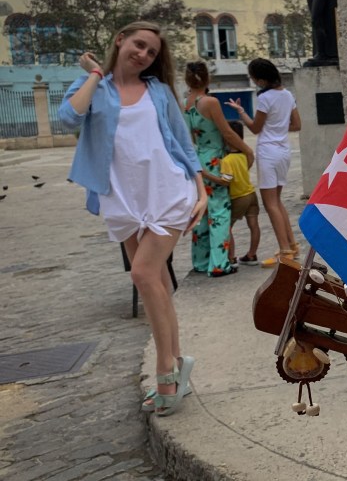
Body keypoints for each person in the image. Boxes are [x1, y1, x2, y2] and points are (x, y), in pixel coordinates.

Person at [59, 21, 206, 417]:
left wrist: (202, 190)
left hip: (167, 192)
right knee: (156, 281)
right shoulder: (95, 88)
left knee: (143, 275)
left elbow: (181, 140)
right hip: (122, 199)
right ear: (120, 40)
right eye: (138, 45)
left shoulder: (157, 92)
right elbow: (69, 118)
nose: (143, 55)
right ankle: (178, 360)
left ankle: (165, 372)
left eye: (152, 53)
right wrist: (94, 72)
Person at [227, 58, 301, 268]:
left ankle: (285, 251)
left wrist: (241, 113)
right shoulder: (287, 95)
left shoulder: (266, 98)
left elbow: (255, 128)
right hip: (283, 151)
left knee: (270, 203)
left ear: (260, 79)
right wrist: (278, 128)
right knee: (277, 201)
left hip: (268, 152)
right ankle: (291, 246)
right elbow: (297, 124)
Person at [183, 61, 254, 277]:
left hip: (197, 158)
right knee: (220, 212)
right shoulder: (210, 102)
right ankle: (219, 264)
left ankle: (201, 260)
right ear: (207, 79)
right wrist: (247, 150)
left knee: (202, 212)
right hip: (215, 159)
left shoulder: (186, 102)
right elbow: (227, 133)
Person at [207, 121, 262, 266]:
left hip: (238, 197)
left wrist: (206, 175)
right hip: (251, 194)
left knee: (227, 226)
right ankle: (252, 254)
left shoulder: (226, 160)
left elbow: (226, 181)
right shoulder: (244, 156)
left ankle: (231, 257)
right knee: (254, 225)